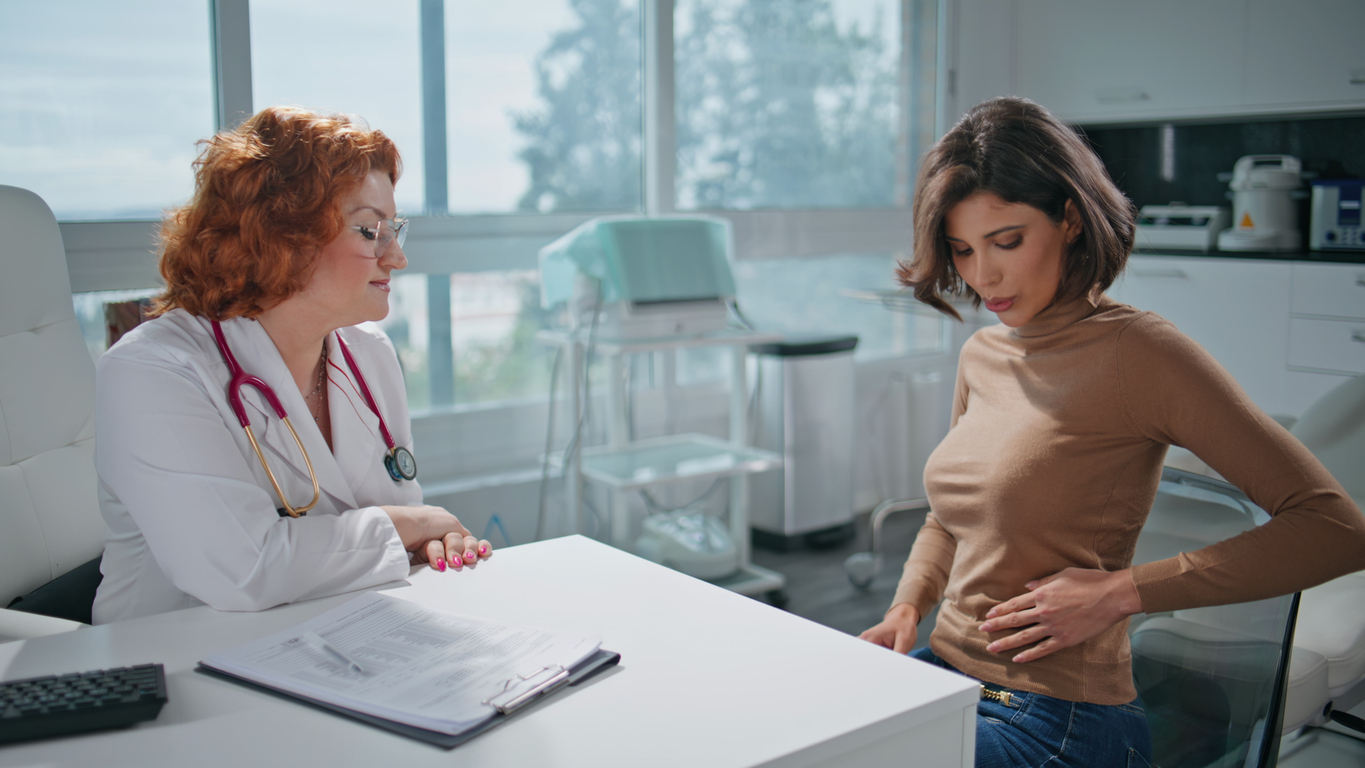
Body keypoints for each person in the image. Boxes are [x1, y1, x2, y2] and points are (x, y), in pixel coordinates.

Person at [858, 97, 1365, 766]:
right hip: (946, 669)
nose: (982, 276)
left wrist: (1121, 593)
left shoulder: (1140, 354)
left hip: (1054, 721)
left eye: (1006, 240)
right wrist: (905, 607)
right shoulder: (984, 353)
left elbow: (1334, 529)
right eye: (962, 249)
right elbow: (952, 519)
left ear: (1069, 218)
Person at [92, 107, 491, 625]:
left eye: (396, 230)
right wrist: (413, 524)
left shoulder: (368, 353)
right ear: (283, 238)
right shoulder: (152, 372)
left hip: (333, 645)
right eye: (371, 232)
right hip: (174, 669)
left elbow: (391, 550)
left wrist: (420, 540)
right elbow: (244, 567)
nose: (397, 258)